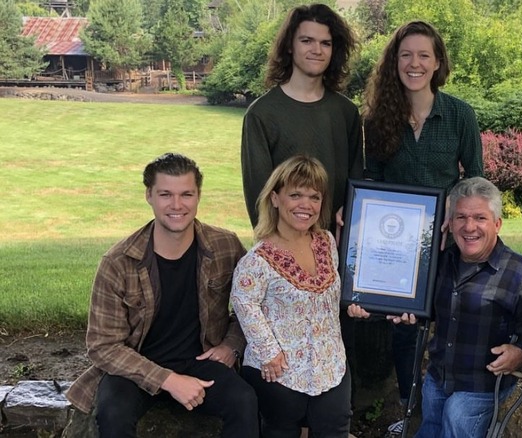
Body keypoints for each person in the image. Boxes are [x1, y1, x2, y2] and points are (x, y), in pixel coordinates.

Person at [66, 153, 258, 438]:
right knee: (112, 413)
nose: (177, 205)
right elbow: (102, 346)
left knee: (244, 401)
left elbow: (253, 303)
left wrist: (232, 345)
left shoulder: (225, 245)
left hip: (202, 361)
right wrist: (168, 380)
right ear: (149, 196)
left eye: (186, 194)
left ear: (198, 196)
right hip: (135, 366)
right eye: (165, 194)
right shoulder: (118, 261)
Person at [361, 21, 483, 433]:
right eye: (406, 55)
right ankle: (408, 411)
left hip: (450, 241)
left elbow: (476, 180)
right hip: (396, 246)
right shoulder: (378, 117)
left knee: (450, 323)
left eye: (423, 55)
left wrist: (457, 211)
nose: (414, 64)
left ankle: (452, 408)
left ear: (437, 63)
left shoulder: (460, 115)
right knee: (404, 328)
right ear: (394, 62)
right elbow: (372, 181)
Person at [349, 177, 522, 438]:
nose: (469, 226)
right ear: (449, 223)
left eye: (480, 218)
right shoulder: (438, 263)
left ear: (497, 224)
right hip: (439, 376)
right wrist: (388, 308)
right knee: (429, 430)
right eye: (461, 217)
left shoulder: (519, 272)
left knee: (457, 420)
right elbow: (422, 306)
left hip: (481, 383)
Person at [231, 155, 351, 438]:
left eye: (314, 196)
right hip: (279, 373)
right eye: (295, 195)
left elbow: (333, 296)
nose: (305, 205)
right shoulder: (258, 259)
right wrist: (269, 353)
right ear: (275, 198)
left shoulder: (327, 241)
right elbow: (243, 301)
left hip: (330, 368)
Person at [241, 3, 362, 231]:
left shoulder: (346, 112)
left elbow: (356, 188)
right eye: (306, 41)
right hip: (285, 247)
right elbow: (259, 196)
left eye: (325, 43)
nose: (317, 50)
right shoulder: (261, 114)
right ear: (289, 46)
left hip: (335, 245)